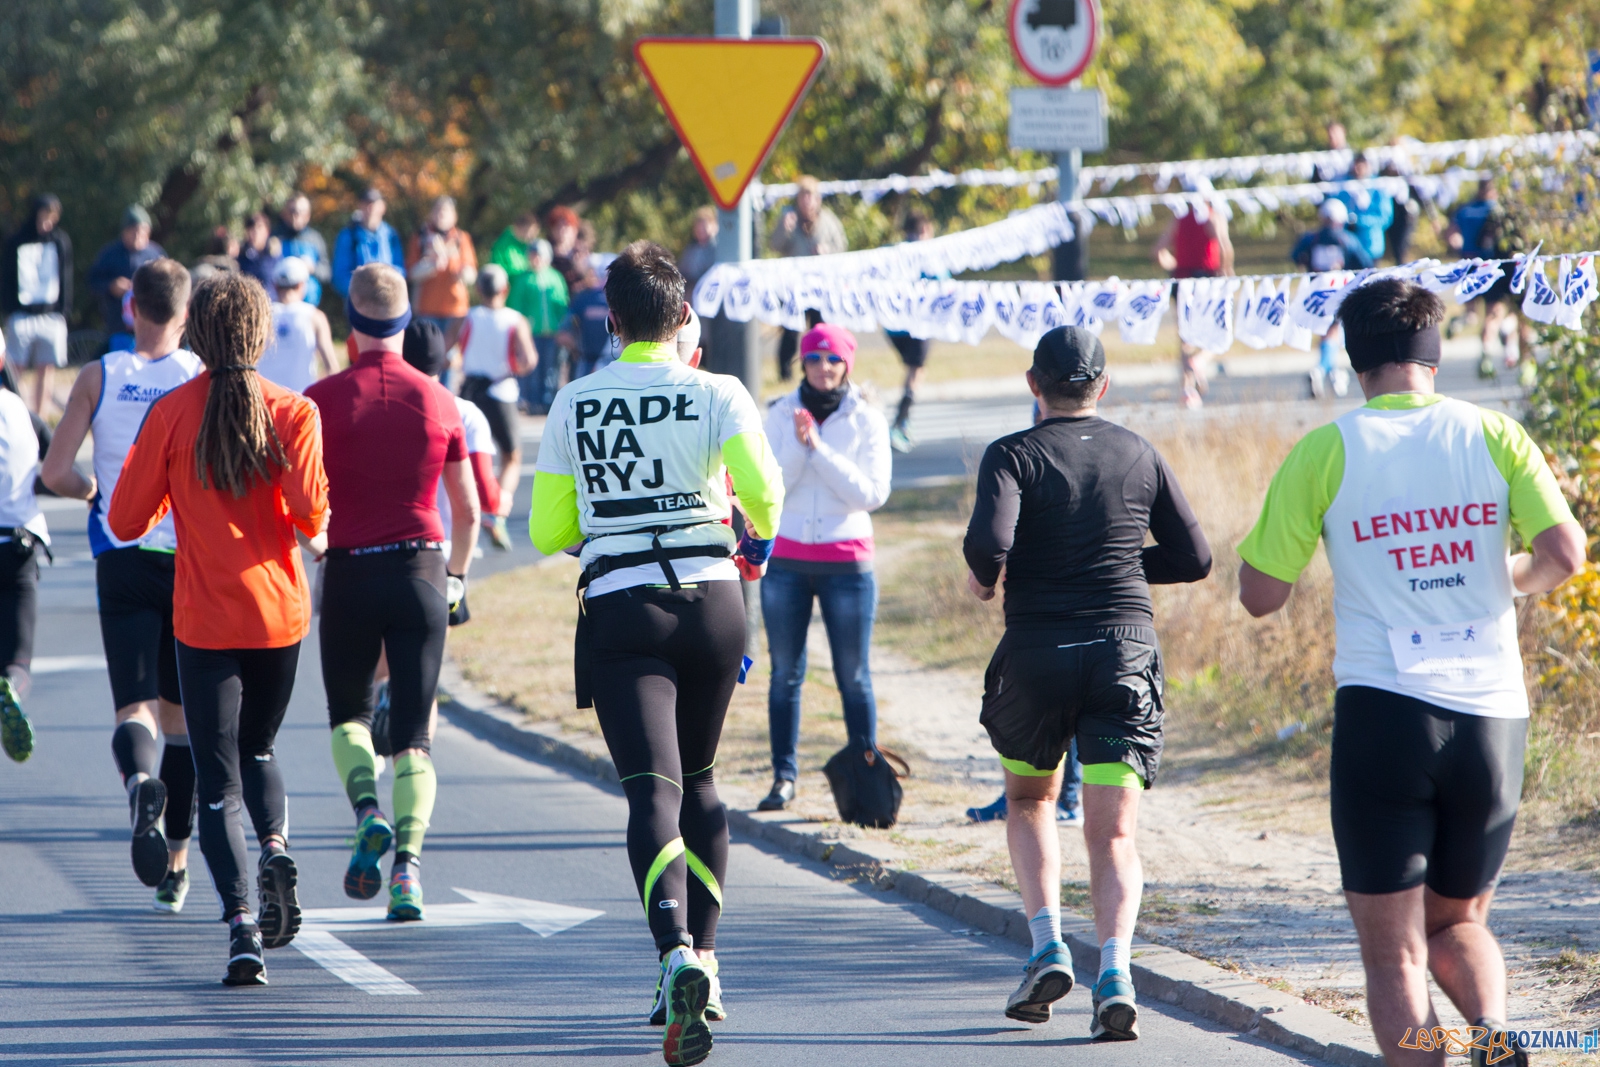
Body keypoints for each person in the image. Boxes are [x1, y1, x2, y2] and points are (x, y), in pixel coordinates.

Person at [1237, 278, 1586, 1067]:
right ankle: (1493, 1027)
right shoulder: (1495, 433)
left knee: (1395, 951)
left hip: (1384, 713)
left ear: (1357, 359)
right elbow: (1566, 554)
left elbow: (1261, 596)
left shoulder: (1327, 449)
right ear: (1434, 354)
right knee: (1457, 921)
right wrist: (1508, 580)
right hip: (1493, 716)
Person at [528, 242, 783, 1067]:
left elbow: (547, 531)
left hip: (622, 608)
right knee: (704, 781)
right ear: (682, 320)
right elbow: (767, 499)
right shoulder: (720, 390)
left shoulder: (576, 400)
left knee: (652, 792)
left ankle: (672, 953)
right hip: (713, 604)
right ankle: (707, 961)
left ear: (610, 321)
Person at [963, 325, 1211, 1040]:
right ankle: (1117, 972)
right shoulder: (1139, 450)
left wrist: (987, 578)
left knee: (1031, 798)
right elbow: (1195, 557)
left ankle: (1046, 944)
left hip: (1038, 652)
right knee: (1114, 832)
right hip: (1123, 654)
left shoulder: (1013, 453)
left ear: (1033, 385)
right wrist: (1127, 571)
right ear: (1103, 386)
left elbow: (989, 545)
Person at [108, 270, 329, 986]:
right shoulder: (294, 411)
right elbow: (312, 517)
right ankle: (276, 846)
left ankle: (241, 928)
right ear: (261, 333)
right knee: (260, 749)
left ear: (196, 332)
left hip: (204, 620)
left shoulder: (172, 413)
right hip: (278, 616)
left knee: (214, 785)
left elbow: (124, 521)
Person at [304, 263, 479, 923]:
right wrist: (456, 578)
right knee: (414, 735)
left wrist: (315, 547)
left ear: (351, 325)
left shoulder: (317, 400)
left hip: (349, 569)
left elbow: (299, 502)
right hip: (423, 573)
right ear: (407, 323)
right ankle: (408, 870)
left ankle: (367, 811)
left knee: (349, 716)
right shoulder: (442, 402)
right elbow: (467, 508)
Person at [42, 259, 203, 910]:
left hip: (122, 551)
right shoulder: (200, 377)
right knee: (183, 722)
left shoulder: (97, 375)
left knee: (134, 707)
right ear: (185, 315)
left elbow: (56, 472)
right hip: (187, 559)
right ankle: (176, 864)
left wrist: (93, 490)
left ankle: (140, 779)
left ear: (132, 307)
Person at [756, 324, 890, 812]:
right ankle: (783, 778)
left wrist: (819, 449)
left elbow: (871, 493)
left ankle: (867, 781)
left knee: (853, 676)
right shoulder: (779, 414)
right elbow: (770, 486)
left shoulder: (867, 419)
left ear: (847, 364)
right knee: (785, 673)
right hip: (788, 561)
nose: (824, 368)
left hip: (847, 561)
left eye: (834, 359)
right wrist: (796, 443)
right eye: (814, 359)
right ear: (802, 363)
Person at [456, 265, 536, 549]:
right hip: (501, 391)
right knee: (512, 456)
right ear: (505, 290)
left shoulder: (469, 317)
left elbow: (450, 350)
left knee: (470, 455)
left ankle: (474, 513)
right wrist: (513, 367)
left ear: (479, 290)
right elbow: (530, 359)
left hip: (471, 392)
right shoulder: (515, 319)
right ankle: (497, 510)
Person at [0, 331, 49, 766]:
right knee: (18, 655)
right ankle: (11, 685)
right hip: (18, 546)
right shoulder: (22, 412)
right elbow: (53, 469)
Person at [1153, 181, 1235, 408]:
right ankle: (1198, 362)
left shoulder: (1178, 219)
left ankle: (1187, 390)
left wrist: (1175, 265)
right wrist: (1227, 271)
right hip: (1206, 279)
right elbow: (1225, 247)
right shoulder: (1212, 217)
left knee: (1185, 337)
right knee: (1216, 330)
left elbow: (1158, 251)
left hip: (1181, 279)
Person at [768, 176, 847, 380]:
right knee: (791, 330)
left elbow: (842, 247)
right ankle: (785, 373)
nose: (806, 201)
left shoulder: (828, 220)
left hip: (821, 287)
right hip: (794, 287)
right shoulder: (789, 218)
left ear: (818, 199)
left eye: (810, 196)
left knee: (820, 329)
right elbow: (774, 246)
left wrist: (827, 251)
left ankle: (818, 368)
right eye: (803, 196)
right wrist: (783, 230)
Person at [1292, 199, 1373, 398]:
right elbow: (1365, 263)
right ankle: (1320, 369)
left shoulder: (1311, 238)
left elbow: (1296, 256)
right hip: (1338, 291)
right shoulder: (1347, 239)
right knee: (1333, 332)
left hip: (1315, 293)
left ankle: (1333, 372)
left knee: (1328, 334)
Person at [2, 194, 73, 418]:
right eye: (44, 216)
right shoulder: (16, 241)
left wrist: (63, 311)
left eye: (52, 218)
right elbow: (6, 278)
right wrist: (10, 309)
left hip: (50, 315)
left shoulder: (60, 241)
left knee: (46, 368)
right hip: (22, 315)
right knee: (15, 369)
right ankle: (11, 416)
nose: (47, 223)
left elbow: (66, 277)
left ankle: (40, 419)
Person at [883, 212, 945, 452]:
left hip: (893, 325)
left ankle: (903, 420)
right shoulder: (926, 255)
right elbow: (944, 283)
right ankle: (901, 422)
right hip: (917, 323)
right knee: (916, 370)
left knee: (914, 369)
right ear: (924, 231)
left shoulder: (891, 251)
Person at [1446, 179, 1521, 372]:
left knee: (1472, 313)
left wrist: (1461, 248)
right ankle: (1493, 351)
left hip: (1469, 265)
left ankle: (1463, 322)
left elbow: (1452, 236)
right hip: (1492, 267)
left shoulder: (1464, 210)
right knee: (1494, 313)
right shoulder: (1498, 210)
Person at [495, 227, 569, 414]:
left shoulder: (555, 278)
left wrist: (563, 326)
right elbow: (517, 306)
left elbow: (562, 304)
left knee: (552, 368)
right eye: (533, 255)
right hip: (532, 333)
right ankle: (533, 402)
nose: (536, 259)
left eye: (540, 255)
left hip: (552, 332)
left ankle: (549, 401)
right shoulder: (523, 279)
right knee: (533, 369)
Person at [88, 205, 165, 347]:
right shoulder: (109, 254)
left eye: (141, 231)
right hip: (120, 327)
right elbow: (93, 282)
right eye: (133, 231)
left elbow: (168, 286)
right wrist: (111, 286)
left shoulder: (156, 255)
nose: (137, 235)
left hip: (152, 327)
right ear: (124, 232)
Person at [258, 257, 338, 393]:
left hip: (265, 401)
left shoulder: (259, 316)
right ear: (301, 285)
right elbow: (332, 368)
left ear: (275, 285)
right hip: (301, 403)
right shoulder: (315, 317)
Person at [407, 196, 478, 349]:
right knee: (427, 354)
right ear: (431, 213)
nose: (441, 214)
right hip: (426, 309)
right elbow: (411, 273)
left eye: (446, 211)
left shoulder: (461, 238)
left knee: (449, 358)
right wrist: (432, 265)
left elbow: (471, 274)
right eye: (438, 210)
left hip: (455, 310)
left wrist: (460, 270)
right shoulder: (420, 237)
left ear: (454, 216)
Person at [332, 188, 405, 299]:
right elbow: (340, 277)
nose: (370, 209)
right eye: (366, 204)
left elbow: (400, 270)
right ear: (360, 206)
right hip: (358, 304)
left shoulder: (391, 236)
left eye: (374, 204)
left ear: (383, 207)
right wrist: (364, 292)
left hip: (386, 302)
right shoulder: (348, 235)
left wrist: (385, 288)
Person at [1335, 152, 1395, 269]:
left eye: (1361, 166)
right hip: (1349, 244)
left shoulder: (1378, 187)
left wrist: (1360, 221)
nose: (1358, 170)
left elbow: (1385, 217)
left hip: (1371, 244)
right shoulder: (1346, 186)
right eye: (1356, 166)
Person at [558, 267, 619, 377]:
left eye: (595, 274)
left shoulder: (611, 297)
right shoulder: (581, 297)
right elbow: (564, 328)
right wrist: (573, 345)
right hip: (586, 358)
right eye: (589, 274)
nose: (592, 277)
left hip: (609, 357)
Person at [272, 195, 330, 307]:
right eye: (292, 211)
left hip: (309, 306)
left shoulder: (315, 239)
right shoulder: (275, 238)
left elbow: (326, 273)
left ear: (307, 215)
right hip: (280, 306)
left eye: (300, 212)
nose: (295, 215)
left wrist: (312, 268)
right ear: (285, 213)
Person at [238, 211, 281, 299]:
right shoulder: (241, 257)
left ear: (267, 231)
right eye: (251, 229)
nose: (255, 233)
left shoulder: (274, 256)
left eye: (259, 228)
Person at [546, 205, 584, 291]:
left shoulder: (582, 254)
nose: (562, 230)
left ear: (575, 230)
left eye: (566, 226)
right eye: (558, 226)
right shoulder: (546, 254)